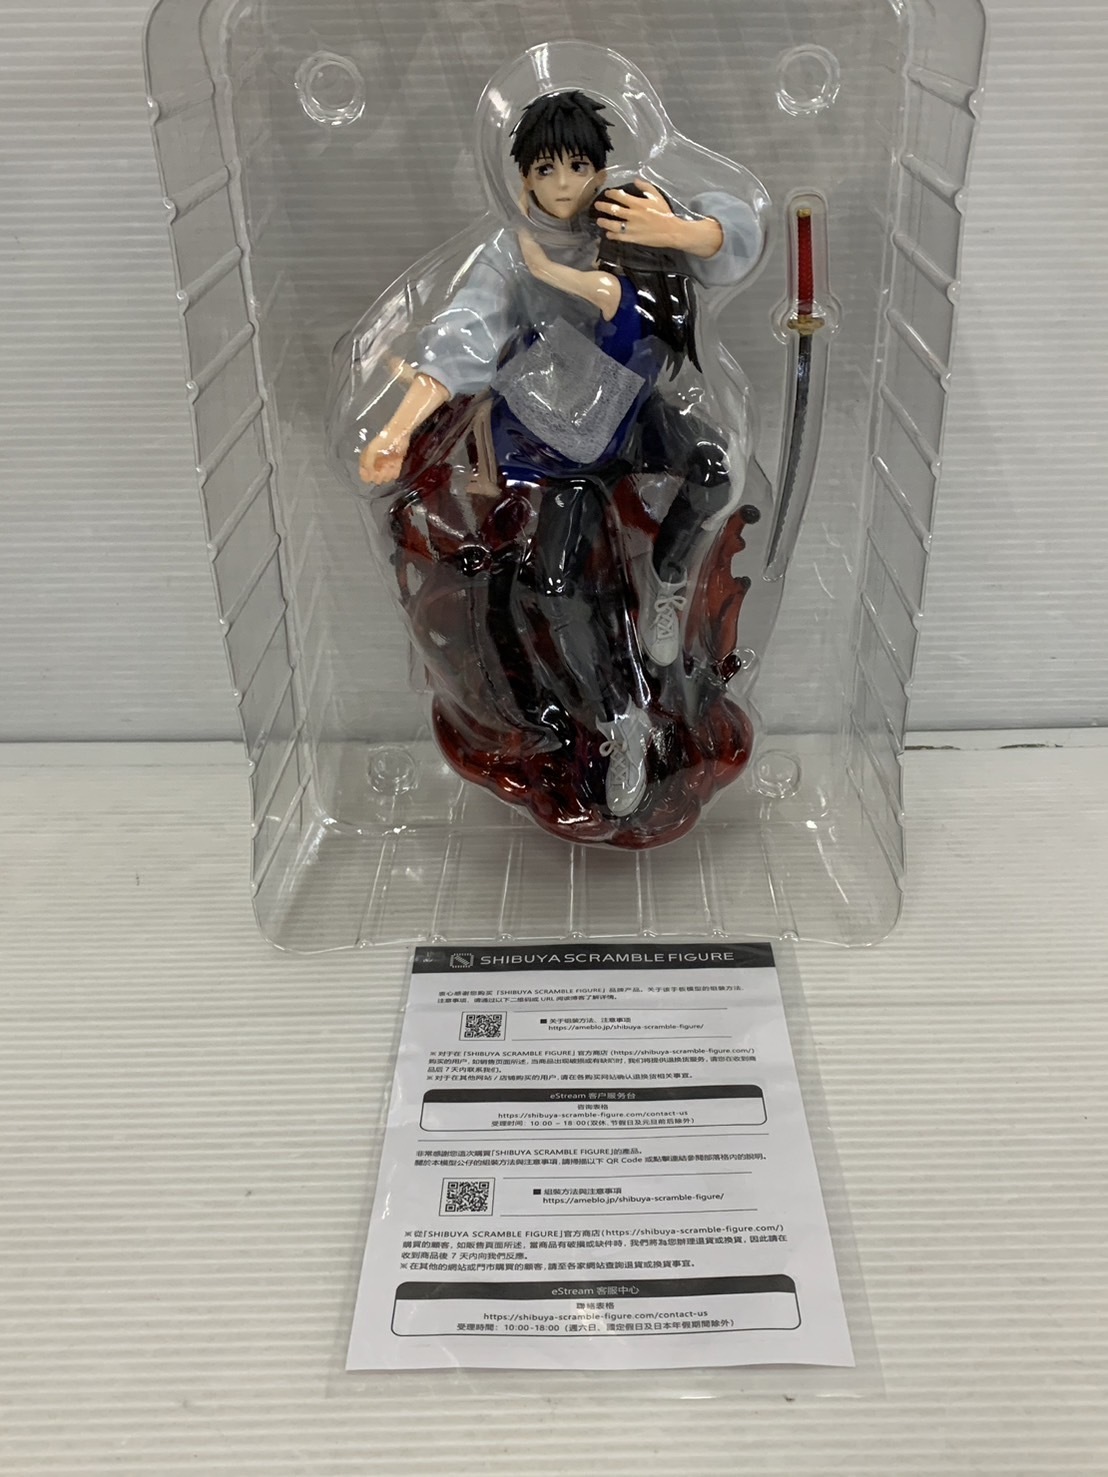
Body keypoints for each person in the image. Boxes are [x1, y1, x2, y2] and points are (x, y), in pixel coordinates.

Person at [359, 89, 762, 815]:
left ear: (601, 166)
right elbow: (460, 339)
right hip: (556, 438)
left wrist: (680, 229)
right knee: (556, 584)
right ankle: (619, 721)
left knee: (713, 470)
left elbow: (738, 233)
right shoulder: (510, 255)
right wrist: (397, 430)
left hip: (628, 411)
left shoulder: (632, 214)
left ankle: (668, 579)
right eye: (547, 170)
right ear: (524, 180)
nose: (566, 183)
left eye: (579, 165)